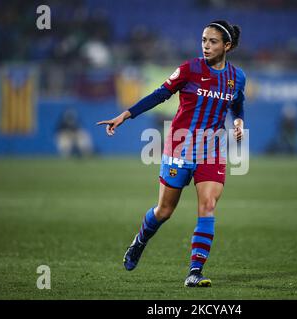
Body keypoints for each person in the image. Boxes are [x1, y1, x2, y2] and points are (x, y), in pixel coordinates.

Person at [97, 20, 246, 287]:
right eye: (203, 40)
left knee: (208, 206)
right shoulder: (189, 69)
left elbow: (238, 104)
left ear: (227, 46)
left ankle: (194, 271)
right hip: (180, 146)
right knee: (165, 210)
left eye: (212, 41)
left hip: (211, 150)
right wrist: (126, 115)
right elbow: (159, 95)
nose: (206, 46)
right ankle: (139, 241)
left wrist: (237, 122)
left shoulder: (237, 77)